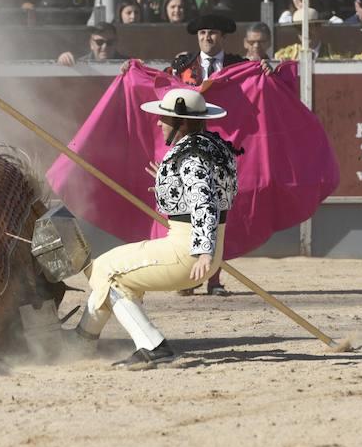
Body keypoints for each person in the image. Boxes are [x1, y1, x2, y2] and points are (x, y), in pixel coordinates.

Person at [73, 87, 241, 369]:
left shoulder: (191, 157)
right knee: (112, 270)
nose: (159, 123)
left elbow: (205, 203)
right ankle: (83, 339)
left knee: (105, 270)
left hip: (186, 251)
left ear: (181, 122)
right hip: (203, 246)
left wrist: (202, 251)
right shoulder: (214, 147)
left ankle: (150, 346)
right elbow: (212, 191)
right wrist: (169, 182)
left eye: (165, 118)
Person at [274, 7, 344, 59]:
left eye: (309, 26)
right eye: (300, 28)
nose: (305, 32)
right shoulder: (284, 55)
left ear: (318, 27)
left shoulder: (335, 54)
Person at [56, 21, 129, 66]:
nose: (104, 47)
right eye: (99, 42)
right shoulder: (80, 64)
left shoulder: (130, 65)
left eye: (110, 42)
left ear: (116, 43)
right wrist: (62, 61)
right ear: (91, 44)